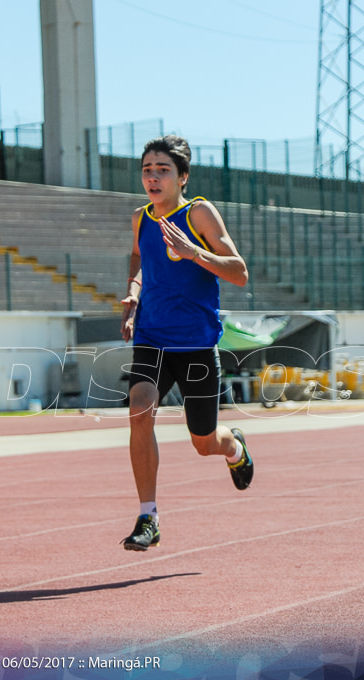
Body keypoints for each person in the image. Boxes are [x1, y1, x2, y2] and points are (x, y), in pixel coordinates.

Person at [119, 135, 253, 551]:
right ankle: (148, 515)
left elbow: (239, 272)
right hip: (152, 336)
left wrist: (195, 252)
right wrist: (134, 295)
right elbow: (140, 260)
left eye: (163, 170)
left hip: (195, 344)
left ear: (182, 177)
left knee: (204, 442)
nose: (153, 177)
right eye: (147, 170)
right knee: (140, 409)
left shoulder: (199, 213)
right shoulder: (141, 218)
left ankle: (234, 446)